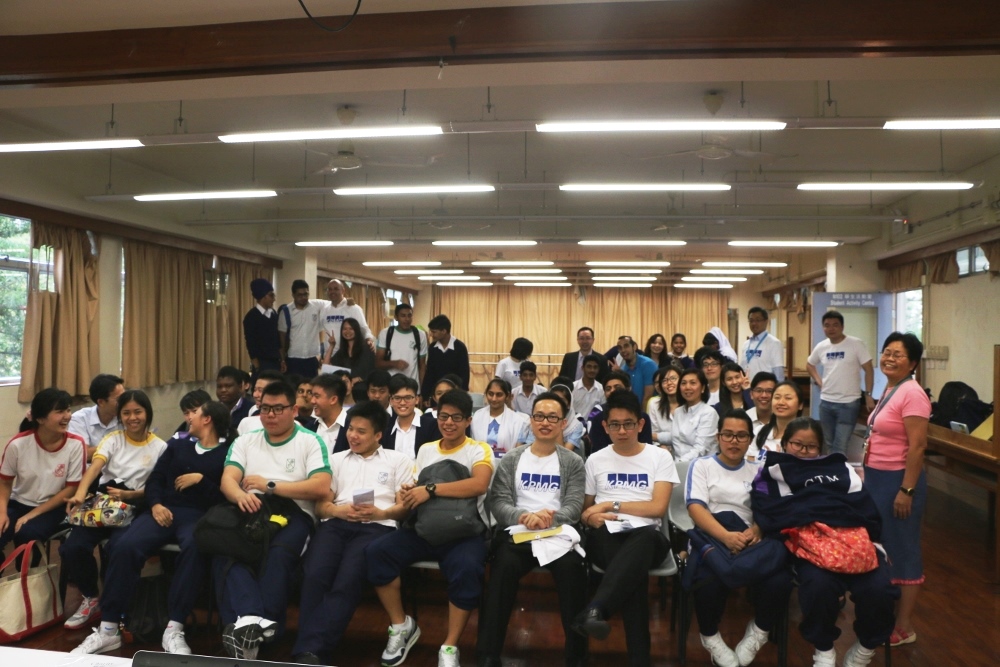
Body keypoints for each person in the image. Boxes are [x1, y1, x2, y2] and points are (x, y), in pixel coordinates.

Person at [71, 398, 234, 656]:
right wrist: (156, 504)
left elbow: (224, 497)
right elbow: (156, 479)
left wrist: (201, 480)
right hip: (162, 510)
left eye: (194, 413)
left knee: (195, 547)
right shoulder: (178, 444)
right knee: (124, 545)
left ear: (207, 419)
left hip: (199, 516)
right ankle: (109, 629)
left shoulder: (228, 452)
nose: (188, 418)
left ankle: (174, 627)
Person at [752, 418, 898, 667]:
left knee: (880, 590)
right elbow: (768, 512)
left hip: (854, 542)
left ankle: (866, 646)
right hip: (812, 547)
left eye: (811, 447)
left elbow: (866, 510)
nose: (803, 451)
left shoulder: (841, 469)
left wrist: (871, 540)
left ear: (820, 448)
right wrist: (814, 518)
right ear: (785, 443)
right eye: (797, 444)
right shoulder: (771, 473)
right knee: (818, 588)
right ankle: (824, 649)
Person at [365, 390, 494, 667]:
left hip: (463, 533)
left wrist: (431, 489)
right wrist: (409, 491)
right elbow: (416, 488)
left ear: (468, 420)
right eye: (443, 416)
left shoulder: (478, 449)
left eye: (456, 418)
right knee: (377, 552)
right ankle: (401, 625)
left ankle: (449, 645)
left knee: (467, 569)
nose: (449, 423)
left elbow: (479, 484)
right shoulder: (426, 449)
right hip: (424, 529)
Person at [291, 400, 413, 665]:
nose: (353, 436)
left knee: (347, 580)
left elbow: (404, 509)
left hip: (377, 527)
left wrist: (379, 513)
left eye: (361, 431)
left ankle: (310, 650)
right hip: (336, 524)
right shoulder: (335, 460)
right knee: (314, 575)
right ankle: (310, 648)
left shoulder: (398, 460)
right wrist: (339, 511)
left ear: (378, 435)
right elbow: (321, 507)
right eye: (350, 429)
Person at [216, 381, 332, 659]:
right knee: (224, 551)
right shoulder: (246, 440)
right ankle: (250, 622)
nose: (270, 415)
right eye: (265, 408)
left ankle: (254, 634)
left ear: (294, 410)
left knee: (278, 554)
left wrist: (270, 485)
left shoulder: (310, 441)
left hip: (295, 513)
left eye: (278, 409)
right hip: (252, 508)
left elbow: (320, 487)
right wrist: (239, 495)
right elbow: (228, 480)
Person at [477, 392, 588, 667]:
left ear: (563, 423)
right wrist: (524, 516)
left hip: (557, 535)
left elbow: (574, 505)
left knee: (573, 573)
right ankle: (488, 655)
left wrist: (550, 518)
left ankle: (577, 657)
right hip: (519, 533)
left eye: (552, 417)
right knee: (502, 570)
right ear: (531, 421)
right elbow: (498, 501)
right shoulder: (512, 459)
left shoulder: (573, 462)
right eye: (539, 416)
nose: (545, 422)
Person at [575, 390, 678, 667]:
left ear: (640, 424)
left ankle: (597, 608)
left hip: (649, 537)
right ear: (605, 426)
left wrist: (611, 503)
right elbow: (585, 510)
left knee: (642, 542)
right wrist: (589, 519)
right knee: (633, 574)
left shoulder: (659, 457)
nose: (622, 431)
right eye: (615, 425)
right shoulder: (595, 459)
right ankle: (637, 658)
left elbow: (657, 508)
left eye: (628, 424)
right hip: (606, 534)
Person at [686, 409, 792, 667]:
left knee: (780, 580)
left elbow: (767, 509)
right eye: (728, 435)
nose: (734, 441)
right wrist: (725, 537)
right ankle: (710, 636)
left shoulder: (759, 471)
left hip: (749, 540)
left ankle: (760, 631)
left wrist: (757, 529)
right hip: (713, 536)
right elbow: (696, 508)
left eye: (741, 436)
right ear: (718, 437)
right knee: (708, 580)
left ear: (750, 439)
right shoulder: (702, 466)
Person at [61, 389, 168, 630]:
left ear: (147, 413)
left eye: (138, 412)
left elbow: (158, 487)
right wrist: (80, 494)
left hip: (135, 506)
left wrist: (131, 495)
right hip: (104, 505)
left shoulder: (160, 447)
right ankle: (91, 598)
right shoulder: (113, 439)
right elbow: (94, 468)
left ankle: (118, 608)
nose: (132, 418)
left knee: (119, 550)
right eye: (126, 413)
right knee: (73, 547)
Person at [863, 332, 930, 648]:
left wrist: (907, 490)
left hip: (898, 482)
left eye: (898, 354)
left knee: (903, 549)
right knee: (885, 545)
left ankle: (904, 626)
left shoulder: (913, 394)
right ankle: (888, 615)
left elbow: (917, 447)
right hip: (878, 478)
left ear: (913, 362)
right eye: (886, 352)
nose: (889, 358)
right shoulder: (892, 388)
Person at [0, 388, 86, 552]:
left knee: (26, 533)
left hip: (55, 507)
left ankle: (29, 566)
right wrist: (2, 513)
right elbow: (4, 483)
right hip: (19, 502)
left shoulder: (76, 444)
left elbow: (71, 488)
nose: (67, 416)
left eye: (68, 410)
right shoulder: (18, 444)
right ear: (40, 419)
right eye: (59, 411)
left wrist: (32, 514)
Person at [806, 311, 876, 456]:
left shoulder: (856, 344)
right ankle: (833, 469)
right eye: (827, 325)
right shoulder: (821, 346)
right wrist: (819, 381)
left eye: (835, 325)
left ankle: (837, 468)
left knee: (840, 445)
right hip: (826, 402)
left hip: (848, 403)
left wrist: (868, 394)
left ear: (842, 327)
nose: (831, 328)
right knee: (829, 443)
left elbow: (869, 369)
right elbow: (809, 365)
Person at [586, 371, 654, 454]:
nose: (612, 391)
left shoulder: (642, 417)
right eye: (608, 389)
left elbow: (647, 448)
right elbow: (599, 451)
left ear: (628, 389)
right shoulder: (598, 419)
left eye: (617, 387)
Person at [68, 373, 124, 460]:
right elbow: (83, 454)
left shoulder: (127, 417)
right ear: (101, 402)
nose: (124, 401)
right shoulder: (79, 419)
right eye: (119, 399)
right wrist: (115, 445)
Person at [277, 279, 325, 380]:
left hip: (312, 358)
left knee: (311, 386)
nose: (304, 297)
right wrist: (282, 359)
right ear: (293, 295)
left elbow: (334, 303)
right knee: (294, 386)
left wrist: (347, 302)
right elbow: (282, 337)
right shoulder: (286, 311)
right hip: (293, 358)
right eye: (300, 295)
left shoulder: (316, 305)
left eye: (306, 294)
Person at [472, 377, 530, 459]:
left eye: (499, 395)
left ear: (507, 396)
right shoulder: (477, 416)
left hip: (507, 463)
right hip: (479, 462)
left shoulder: (519, 421)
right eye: (490, 394)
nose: (494, 399)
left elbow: (517, 452)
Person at [521, 382, 586, 454]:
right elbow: (529, 448)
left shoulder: (575, 425)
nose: (557, 403)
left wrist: (559, 424)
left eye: (561, 400)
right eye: (553, 399)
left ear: (569, 404)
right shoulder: (536, 420)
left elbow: (564, 454)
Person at [670, 368, 718, 463]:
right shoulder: (678, 411)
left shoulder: (709, 413)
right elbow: (676, 437)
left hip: (701, 465)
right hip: (677, 463)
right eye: (683, 383)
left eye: (693, 383)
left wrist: (677, 465)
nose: (687, 387)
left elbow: (700, 449)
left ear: (703, 388)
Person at [421, 314, 471, 401]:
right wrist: (426, 395)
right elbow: (429, 373)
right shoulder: (433, 347)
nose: (431, 334)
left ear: (444, 331)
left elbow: (464, 374)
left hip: (454, 394)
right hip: (436, 395)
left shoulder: (459, 347)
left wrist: (462, 394)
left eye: (434, 332)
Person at [376, 303, 428, 384]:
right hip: (391, 384)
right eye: (403, 316)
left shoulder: (420, 335)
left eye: (409, 315)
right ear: (396, 317)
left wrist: (422, 388)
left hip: (413, 385)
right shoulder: (386, 333)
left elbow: (422, 366)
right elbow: (378, 363)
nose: (407, 319)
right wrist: (394, 363)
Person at [321, 278, 375, 355]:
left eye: (336, 289)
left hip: (349, 355)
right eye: (330, 289)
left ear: (343, 290)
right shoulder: (324, 309)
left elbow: (364, 328)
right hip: (329, 354)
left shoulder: (354, 308)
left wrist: (369, 339)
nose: (332, 291)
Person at [753, 380, 805, 461]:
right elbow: (749, 460)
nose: (781, 402)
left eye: (788, 398)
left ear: (800, 405)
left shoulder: (805, 437)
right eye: (777, 397)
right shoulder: (760, 431)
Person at [243, 277, 282, 377]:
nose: (274, 299)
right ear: (262, 296)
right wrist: (255, 363)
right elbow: (250, 342)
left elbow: (277, 339)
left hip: (276, 361)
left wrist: (282, 359)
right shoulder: (251, 316)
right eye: (271, 295)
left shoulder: (273, 314)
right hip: (262, 363)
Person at [324, 317, 376, 383]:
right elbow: (326, 366)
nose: (347, 331)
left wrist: (358, 379)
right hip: (346, 387)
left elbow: (372, 372)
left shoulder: (367, 348)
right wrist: (331, 346)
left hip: (362, 386)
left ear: (356, 330)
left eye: (351, 329)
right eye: (345, 329)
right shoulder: (342, 351)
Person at [740, 307, 785, 382]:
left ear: (766, 321)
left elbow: (778, 373)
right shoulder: (746, 344)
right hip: (747, 386)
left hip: (765, 388)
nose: (754, 323)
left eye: (758, 320)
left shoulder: (774, 343)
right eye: (751, 321)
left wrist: (779, 388)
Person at [236, 369, 286, 436]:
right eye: (255, 390)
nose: (255, 395)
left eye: (260, 390)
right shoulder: (253, 410)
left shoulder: (289, 420)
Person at [311, 373, 349, 451]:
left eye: (317, 396)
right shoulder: (309, 428)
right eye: (312, 396)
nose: (312, 401)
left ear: (333, 400)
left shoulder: (352, 427)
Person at [648, 364, 682, 447]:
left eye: (673, 378)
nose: (669, 383)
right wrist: (660, 446)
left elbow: (687, 437)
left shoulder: (689, 403)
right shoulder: (654, 404)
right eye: (664, 380)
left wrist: (659, 437)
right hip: (662, 450)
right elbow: (652, 434)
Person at [618, 336, 658, 406]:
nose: (623, 350)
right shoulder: (622, 370)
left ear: (634, 347)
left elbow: (648, 397)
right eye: (620, 348)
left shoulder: (648, 364)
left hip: (649, 410)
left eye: (626, 346)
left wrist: (641, 413)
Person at [572, 353, 605, 421]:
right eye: (589, 367)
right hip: (574, 425)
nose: (592, 370)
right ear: (582, 368)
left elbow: (602, 411)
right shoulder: (573, 387)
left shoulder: (601, 389)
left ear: (598, 369)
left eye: (595, 367)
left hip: (594, 426)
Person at [745, 372, 778, 439]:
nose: (764, 395)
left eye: (769, 391)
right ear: (751, 394)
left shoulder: (782, 419)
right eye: (759, 390)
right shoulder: (744, 418)